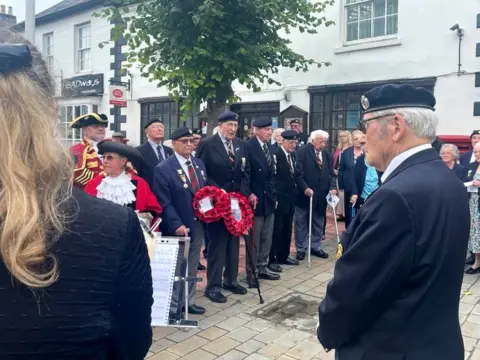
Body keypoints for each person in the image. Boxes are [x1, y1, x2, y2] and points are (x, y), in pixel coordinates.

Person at [0, 31, 152, 359]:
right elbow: (132, 344)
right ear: (52, 113)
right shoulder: (113, 226)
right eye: (95, 129)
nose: (99, 133)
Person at [318, 83, 470, 359]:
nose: (363, 139)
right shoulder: (449, 181)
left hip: (388, 347)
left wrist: (327, 328)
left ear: (396, 127)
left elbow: (355, 291)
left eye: (366, 127)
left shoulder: (395, 196)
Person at [196, 111, 250, 303]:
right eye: (229, 125)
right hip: (217, 203)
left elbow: (245, 171)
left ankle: (231, 280)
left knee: (234, 243)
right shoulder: (207, 144)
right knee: (217, 245)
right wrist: (218, 194)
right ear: (220, 125)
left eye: (235, 126)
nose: (233, 129)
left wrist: (242, 194)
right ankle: (213, 286)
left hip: (236, 203)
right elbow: (201, 172)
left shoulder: (240, 144)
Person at [154, 127, 207, 317]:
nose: (189, 144)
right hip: (179, 227)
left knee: (192, 264)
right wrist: (176, 223)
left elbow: (204, 192)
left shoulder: (199, 164)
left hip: (197, 224)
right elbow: (164, 201)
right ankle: (174, 307)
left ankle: (189, 302)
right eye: (184, 141)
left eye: (191, 141)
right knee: (177, 268)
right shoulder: (164, 169)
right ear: (174, 143)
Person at [84, 141, 162, 220]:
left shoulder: (139, 183)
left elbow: (153, 211)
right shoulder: (95, 183)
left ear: (123, 161)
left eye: (110, 157)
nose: (105, 161)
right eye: (103, 157)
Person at [245, 117, 279, 284]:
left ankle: (263, 265)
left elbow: (273, 175)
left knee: (267, 235)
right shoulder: (249, 146)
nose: (269, 132)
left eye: (270, 129)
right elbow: (246, 174)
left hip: (269, 199)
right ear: (256, 130)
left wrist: (274, 196)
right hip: (255, 199)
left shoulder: (269, 147)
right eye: (266, 130)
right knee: (255, 239)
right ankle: (251, 272)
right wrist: (249, 193)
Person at [294, 130, 336, 261]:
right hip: (304, 194)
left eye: (324, 141)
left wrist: (333, 187)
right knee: (301, 222)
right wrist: (305, 187)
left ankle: (315, 247)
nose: (323, 144)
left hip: (321, 195)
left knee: (318, 221)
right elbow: (298, 173)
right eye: (320, 141)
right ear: (313, 141)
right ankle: (301, 248)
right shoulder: (302, 151)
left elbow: (332, 174)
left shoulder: (327, 155)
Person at [269, 130, 300, 267]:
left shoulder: (292, 156)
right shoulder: (277, 154)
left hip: (290, 199)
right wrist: (274, 196)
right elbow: (273, 178)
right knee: (277, 230)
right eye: (291, 142)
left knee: (287, 229)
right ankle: (273, 258)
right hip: (279, 199)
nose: (293, 145)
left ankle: (284, 255)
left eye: (295, 142)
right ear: (283, 141)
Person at [70, 112, 108, 189]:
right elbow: (77, 173)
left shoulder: (111, 147)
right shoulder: (76, 150)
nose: (101, 129)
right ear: (85, 130)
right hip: (88, 193)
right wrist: (107, 180)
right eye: (95, 126)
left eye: (103, 126)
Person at [136, 119, 173, 190]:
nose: (159, 129)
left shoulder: (169, 150)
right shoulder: (139, 151)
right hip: (149, 191)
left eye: (161, 127)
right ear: (147, 131)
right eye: (155, 127)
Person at [338, 130, 365, 228]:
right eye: (355, 139)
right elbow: (341, 169)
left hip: (364, 187)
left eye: (359, 139)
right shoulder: (346, 152)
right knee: (349, 212)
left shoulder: (367, 152)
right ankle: (349, 232)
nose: (357, 141)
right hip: (348, 186)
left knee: (362, 211)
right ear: (352, 140)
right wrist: (341, 186)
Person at [464, 142, 480, 273]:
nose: (477, 154)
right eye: (475, 152)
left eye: (479, 151)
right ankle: (476, 261)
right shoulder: (472, 165)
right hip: (473, 203)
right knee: (475, 232)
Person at [333, 131, 352, 222]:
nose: (342, 138)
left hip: (347, 173)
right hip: (338, 173)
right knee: (340, 193)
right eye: (340, 136)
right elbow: (335, 160)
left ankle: (346, 213)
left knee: (345, 193)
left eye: (344, 136)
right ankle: (340, 213)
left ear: (348, 136)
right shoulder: (338, 148)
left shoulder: (351, 148)